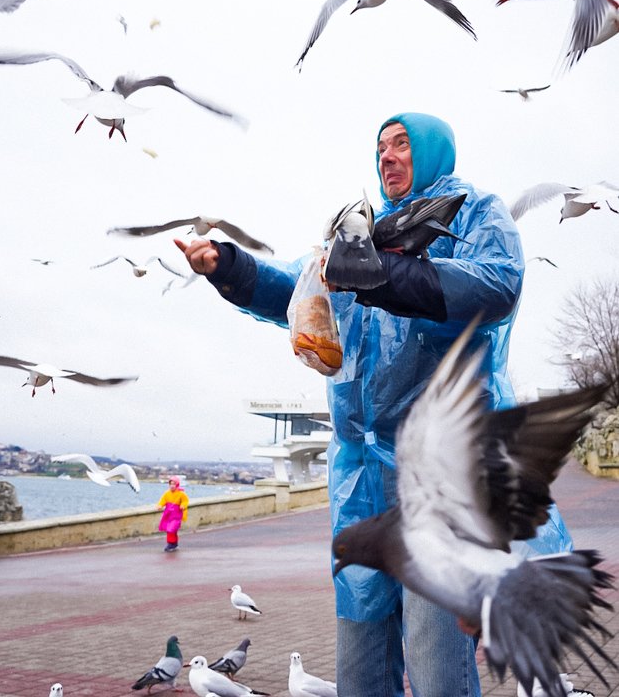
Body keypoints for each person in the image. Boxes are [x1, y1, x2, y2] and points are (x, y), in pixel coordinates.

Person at [175, 112, 571, 697]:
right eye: (380, 147)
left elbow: (495, 285)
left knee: (438, 663)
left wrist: (386, 274)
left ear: (435, 151)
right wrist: (228, 265)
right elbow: (298, 284)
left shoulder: (472, 212)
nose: (387, 157)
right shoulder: (361, 237)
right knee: (360, 669)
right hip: (358, 482)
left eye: (402, 145)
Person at [157, 475, 189, 552]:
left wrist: (182, 505)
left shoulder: (181, 494)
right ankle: (174, 543)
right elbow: (163, 500)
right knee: (170, 529)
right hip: (168, 514)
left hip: (176, 515)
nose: (172, 486)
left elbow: (185, 501)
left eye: (174, 484)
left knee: (171, 528)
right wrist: (160, 505)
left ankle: (171, 543)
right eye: (171, 484)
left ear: (177, 484)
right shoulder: (167, 493)